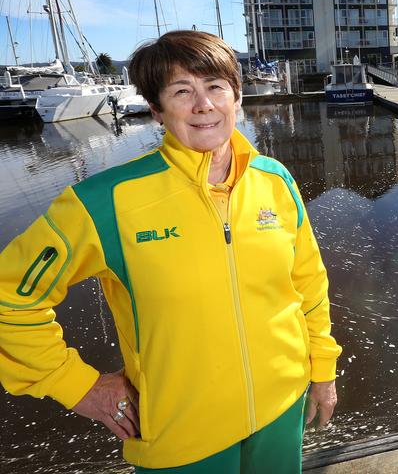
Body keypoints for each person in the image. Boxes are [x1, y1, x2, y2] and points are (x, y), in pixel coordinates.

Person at [0, 30, 342, 472]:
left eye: (216, 87)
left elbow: (308, 284)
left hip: (281, 410)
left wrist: (322, 369)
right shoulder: (106, 201)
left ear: (237, 97)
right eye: (183, 91)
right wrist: (77, 385)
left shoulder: (274, 180)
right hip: (182, 437)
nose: (204, 105)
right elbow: (10, 298)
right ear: (157, 109)